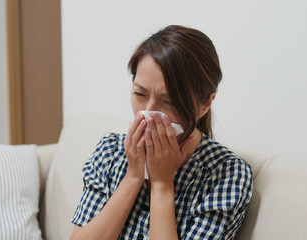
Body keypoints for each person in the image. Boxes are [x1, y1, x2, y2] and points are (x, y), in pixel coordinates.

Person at [69, 25, 253, 240]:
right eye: (140, 93)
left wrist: (162, 184)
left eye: (168, 101)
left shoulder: (227, 174)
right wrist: (133, 176)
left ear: (205, 104)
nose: (148, 113)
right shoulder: (110, 150)